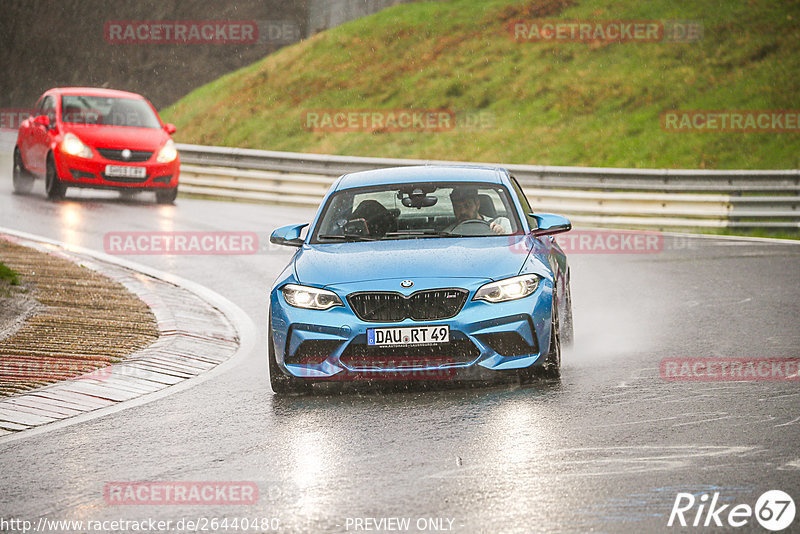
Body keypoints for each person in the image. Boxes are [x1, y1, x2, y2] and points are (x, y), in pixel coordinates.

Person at [446, 186, 511, 234]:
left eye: (467, 205)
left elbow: (514, 244)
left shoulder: (501, 223)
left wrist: (502, 234)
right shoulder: (449, 232)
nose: (463, 211)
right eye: (458, 207)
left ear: (477, 204)